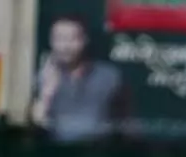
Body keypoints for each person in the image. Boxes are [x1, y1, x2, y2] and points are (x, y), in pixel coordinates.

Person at [30, 15, 124, 143]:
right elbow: (35, 123)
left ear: (85, 40)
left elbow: (125, 123)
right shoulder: (43, 77)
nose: (65, 46)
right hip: (55, 152)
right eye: (59, 39)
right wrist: (47, 93)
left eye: (72, 39)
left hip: (98, 152)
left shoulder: (109, 77)